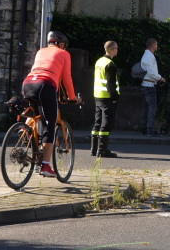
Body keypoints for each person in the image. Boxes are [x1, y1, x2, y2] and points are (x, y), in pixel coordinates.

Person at [22, 31, 80, 178]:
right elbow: (66, 77)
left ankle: (24, 132)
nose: (64, 49)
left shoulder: (41, 52)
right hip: (44, 85)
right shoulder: (64, 54)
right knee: (50, 125)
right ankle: (46, 166)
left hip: (28, 84)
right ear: (61, 44)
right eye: (64, 46)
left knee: (35, 114)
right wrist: (72, 97)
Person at [91, 40, 120, 158]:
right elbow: (110, 83)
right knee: (106, 124)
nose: (117, 50)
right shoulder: (110, 64)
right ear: (112, 50)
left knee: (97, 122)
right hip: (107, 97)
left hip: (98, 95)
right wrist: (114, 97)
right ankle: (102, 150)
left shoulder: (99, 62)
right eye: (116, 48)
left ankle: (94, 149)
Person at [139, 38, 165, 136]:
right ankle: (149, 130)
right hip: (149, 85)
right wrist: (160, 78)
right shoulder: (148, 56)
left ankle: (144, 128)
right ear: (153, 45)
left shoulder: (148, 56)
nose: (157, 46)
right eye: (156, 44)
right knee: (152, 107)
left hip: (148, 84)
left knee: (146, 107)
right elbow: (151, 73)